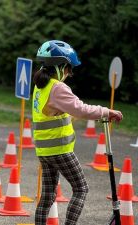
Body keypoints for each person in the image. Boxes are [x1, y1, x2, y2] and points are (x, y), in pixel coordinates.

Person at [32, 40, 123, 225]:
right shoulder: (57, 87)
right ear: (61, 66)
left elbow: (54, 113)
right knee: (81, 188)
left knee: (48, 195)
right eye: (68, 69)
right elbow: (81, 109)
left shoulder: (40, 87)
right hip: (60, 149)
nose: (69, 74)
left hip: (44, 150)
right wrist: (107, 111)